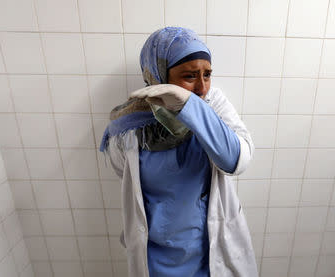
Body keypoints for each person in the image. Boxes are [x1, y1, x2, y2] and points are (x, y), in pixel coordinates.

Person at [100, 27, 258, 277]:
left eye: (207, 75)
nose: (201, 87)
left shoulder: (213, 105)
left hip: (208, 252)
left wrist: (190, 108)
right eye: (189, 76)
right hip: (156, 257)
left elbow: (236, 160)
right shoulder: (129, 125)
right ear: (159, 74)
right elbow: (123, 172)